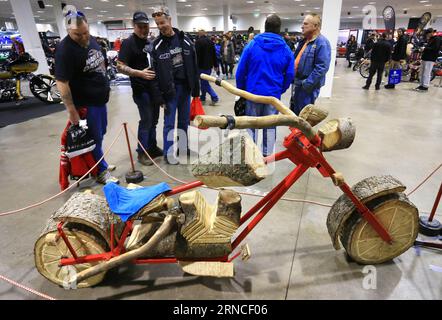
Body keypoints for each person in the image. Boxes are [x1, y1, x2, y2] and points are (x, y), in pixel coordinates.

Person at [55, 11, 118, 184]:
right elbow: (62, 82)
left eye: (85, 32)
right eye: (78, 34)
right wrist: (71, 111)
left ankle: (98, 163)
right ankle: (101, 171)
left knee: (101, 133)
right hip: (85, 104)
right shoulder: (65, 50)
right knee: (93, 137)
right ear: (68, 31)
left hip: (99, 100)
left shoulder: (91, 40)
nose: (83, 37)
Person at [236, 14, 294, 157]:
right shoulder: (286, 49)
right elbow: (290, 74)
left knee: (251, 125)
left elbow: (240, 71)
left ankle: (250, 156)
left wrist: (242, 91)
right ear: (279, 29)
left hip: (253, 93)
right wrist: (281, 89)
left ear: (265, 27)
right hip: (273, 96)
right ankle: (267, 156)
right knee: (270, 126)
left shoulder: (252, 45)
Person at [151, 6, 200, 165]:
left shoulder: (185, 40)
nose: (160, 26)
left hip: (185, 88)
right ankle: (168, 153)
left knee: (184, 121)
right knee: (170, 123)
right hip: (169, 92)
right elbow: (153, 74)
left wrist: (196, 88)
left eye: (162, 22)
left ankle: (183, 148)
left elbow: (194, 64)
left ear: (169, 20)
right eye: (157, 24)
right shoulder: (156, 46)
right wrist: (159, 97)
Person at [117, 11, 165, 166]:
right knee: (146, 120)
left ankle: (151, 147)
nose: (143, 29)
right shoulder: (128, 43)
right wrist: (139, 73)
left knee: (155, 120)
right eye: (140, 27)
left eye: (145, 26)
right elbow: (120, 66)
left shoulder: (149, 42)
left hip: (154, 89)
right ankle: (142, 152)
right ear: (133, 25)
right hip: (140, 89)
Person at [290, 13, 331, 115]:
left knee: (303, 117)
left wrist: (307, 84)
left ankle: (301, 131)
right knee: (295, 114)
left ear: (315, 26)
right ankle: (296, 131)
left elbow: (322, 67)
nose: (302, 26)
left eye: (306, 24)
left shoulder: (321, 43)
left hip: (307, 87)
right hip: (298, 83)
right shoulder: (304, 41)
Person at [195, 29, 219, 106]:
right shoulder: (210, 42)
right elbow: (214, 54)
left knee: (204, 83)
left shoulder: (197, 42)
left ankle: (214, 96)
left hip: (200, 66)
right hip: (209, 66)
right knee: (204, 82)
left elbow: (196, 56)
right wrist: (216, 65)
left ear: (199, 34)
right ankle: (203, 97)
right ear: (205, 33)